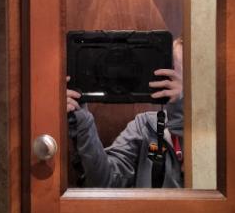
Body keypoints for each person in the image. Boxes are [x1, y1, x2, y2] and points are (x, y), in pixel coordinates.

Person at [66, 38, 185, 188]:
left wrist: (182, 105)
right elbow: (104, 182)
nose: (173, 79)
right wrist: (82, 121)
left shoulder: (212, 133)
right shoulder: (146, 126)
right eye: (170, 68)